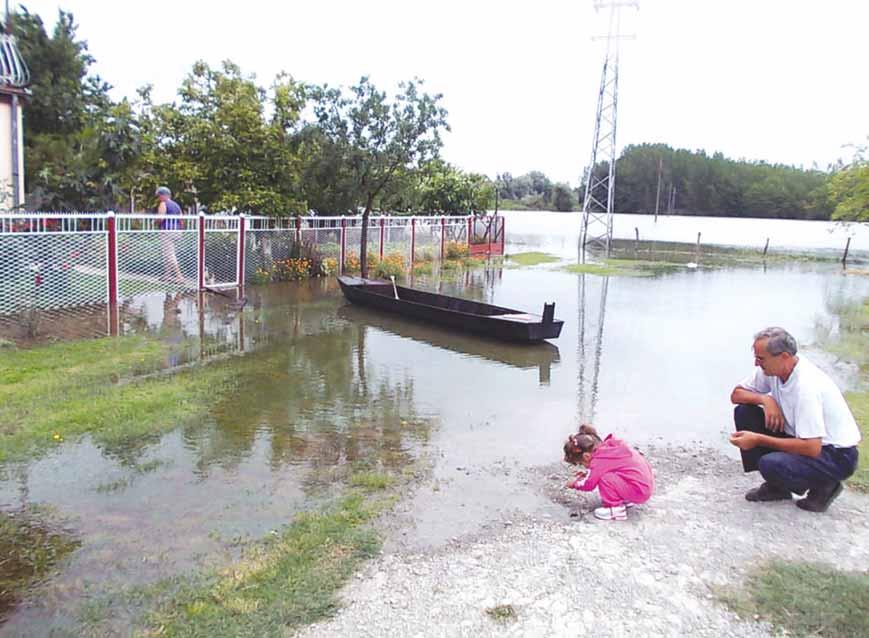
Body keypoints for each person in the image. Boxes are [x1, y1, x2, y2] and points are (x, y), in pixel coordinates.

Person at [729, 327, 860, 513]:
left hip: (835, 454)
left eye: (761, 358)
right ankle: (778, 487)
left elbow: (812, 447)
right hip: (807, 441)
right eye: (756, 357)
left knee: (770, 463)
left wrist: (758, 439)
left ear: (783, 356)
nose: (756, 363)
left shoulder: (806, 386)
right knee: (745, 412)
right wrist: (766, 399)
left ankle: (826, 485)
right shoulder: (773, 370)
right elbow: (736, 394)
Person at [563, 424, 655, 521]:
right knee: (611, 474)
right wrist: (589, 473)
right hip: (642, 487)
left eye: (581, 463)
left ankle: (615, 509)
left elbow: (589, 484)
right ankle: (625, 498)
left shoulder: (598, 460)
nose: (584, 466)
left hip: (638, 492)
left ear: (586, 456)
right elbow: (613, 467)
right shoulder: (609, 449)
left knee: (605, 478)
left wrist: (574, 484)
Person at [155, 186, 185, 283]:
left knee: (169, 254)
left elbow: (161, 218)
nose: (158, 198)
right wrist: (181, 230)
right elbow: (181, 219)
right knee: (168, 253)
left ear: (163, 195)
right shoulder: (176, 205)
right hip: (177, 231)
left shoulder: (163, 204)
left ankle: (179, 276)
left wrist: (155, 222)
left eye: (159, 196)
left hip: (167, 231)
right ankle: (167, 275)